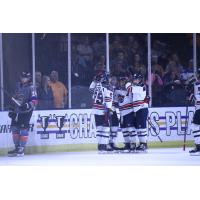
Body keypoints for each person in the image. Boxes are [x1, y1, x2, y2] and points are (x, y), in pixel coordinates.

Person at [8, 72, 37, 157]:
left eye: (26, 78)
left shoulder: (32, 87)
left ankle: (21, 148)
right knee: (14, 129)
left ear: (29, 78)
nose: (23, 79)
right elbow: (13, 99)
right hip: (16, 111)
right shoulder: (17, 86)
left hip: (26, 112)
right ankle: (17, 147)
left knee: (23, 129)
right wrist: (11, 110)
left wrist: (27, 105)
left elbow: (35, 101)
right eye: (22, 77)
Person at [89, 71, 113, 153]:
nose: (110, 79)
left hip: (95, 109)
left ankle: (99, 145)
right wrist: (109, 109)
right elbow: (108, 99)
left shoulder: (96, 85)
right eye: (108, 77)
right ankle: (103, 145)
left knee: (99, 128)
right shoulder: (108, 87)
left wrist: (94, 81)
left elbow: (90, 89)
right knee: (106, 128)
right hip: (104, 110)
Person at [126, 73, 149, 152]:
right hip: (138, 109)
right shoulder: (137, 86)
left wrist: (128, 83)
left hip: (141, 109)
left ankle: (144, 144)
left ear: (140, 80)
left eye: (136, 79)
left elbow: (129, 89)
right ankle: (142, 143)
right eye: (134, 79)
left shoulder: (141, 86)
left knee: (142, 128)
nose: (135, 80)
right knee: (139, 128)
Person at [115, 76, 136, 153]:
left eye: (124, 81)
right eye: (121, 81)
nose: (122, 83)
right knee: (124, 129)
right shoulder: (116, 91)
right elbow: (115, 101)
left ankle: (133, 144)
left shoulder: (130, 90)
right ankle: (127, 144)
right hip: (122, 113)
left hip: (129, 112)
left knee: (130, 128)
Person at [189, 68, 200, 155]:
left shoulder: (197, 84)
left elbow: (197, 97)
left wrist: (191, 94)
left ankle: (198, 147)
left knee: (195, 126)